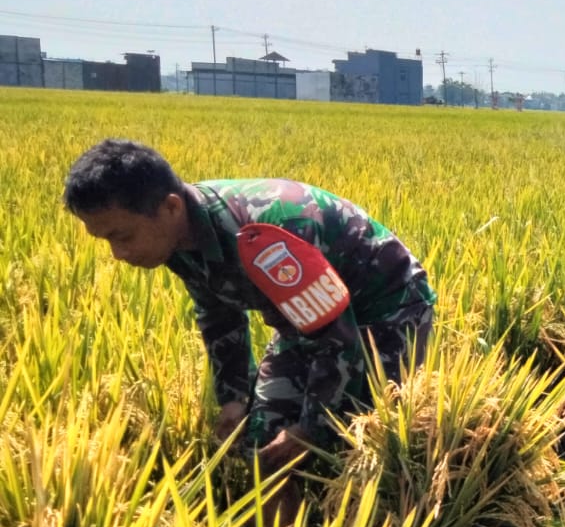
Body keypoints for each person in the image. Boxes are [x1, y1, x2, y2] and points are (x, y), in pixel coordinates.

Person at [63, 139, 435, 482]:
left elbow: (338, 339)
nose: (119, 254)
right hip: (305, 319)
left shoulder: (268, 235)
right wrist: (233, 398)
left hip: (387, 307)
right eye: (106, 240)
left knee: (361, 436)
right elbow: (219, 315)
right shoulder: (176, 235)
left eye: (123, 236)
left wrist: (311, 428)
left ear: (171, 207)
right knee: (263, 444)